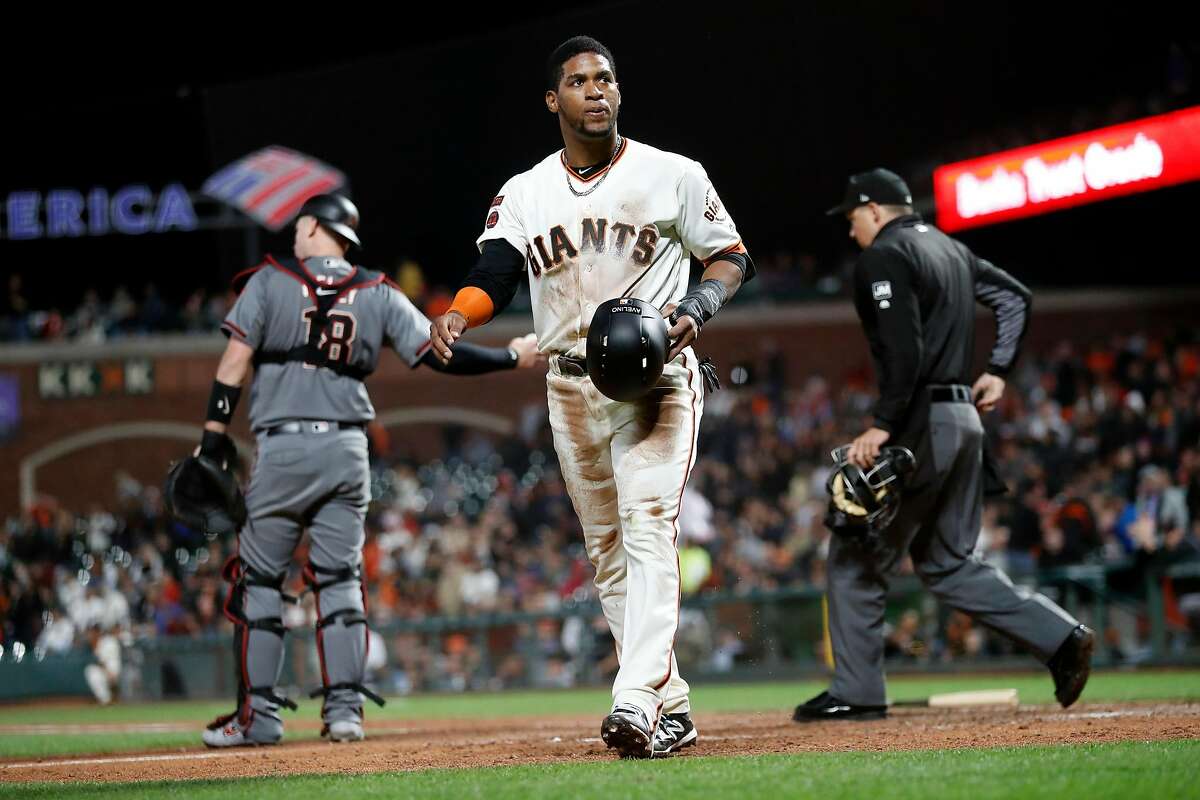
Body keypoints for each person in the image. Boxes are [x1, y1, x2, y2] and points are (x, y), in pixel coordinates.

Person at [429, 36, 754, 757]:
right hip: (571, 382)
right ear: (555, 100)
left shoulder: (673, 173)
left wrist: (695, 309)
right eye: (579, 81)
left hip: (658, 375)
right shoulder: (526, 190)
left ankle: (634, 701)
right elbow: (497, 270)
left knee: (646, 524)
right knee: (607, 554)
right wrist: (459, 312)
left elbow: (731, 256)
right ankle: (672, 708)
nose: (597, 90)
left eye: (606, 78)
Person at [200, 193, 543, 748]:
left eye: (298, 225)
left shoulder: (268, 281)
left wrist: (211, 438)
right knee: (339, 582)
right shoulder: (376, 290)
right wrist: (510, 356)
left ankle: (260, 717)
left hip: (284, 450)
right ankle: (344, 714)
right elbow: (440, 352)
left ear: (313, 226)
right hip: (346, 453)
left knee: (261, 580)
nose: (293, 234)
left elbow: (234, 364)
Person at [794, 168, 1094, 722]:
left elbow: (903, 348)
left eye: (854, 216)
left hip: (920, 422)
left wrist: (883, 423)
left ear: (877, 210)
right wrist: (998, 369)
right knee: (949, 562)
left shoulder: (885, 254)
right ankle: (1060, 637)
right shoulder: (952, 251)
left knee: (854, 553)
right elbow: (1014, 298)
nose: (852, 229)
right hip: (964, 420)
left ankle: (857, 690)